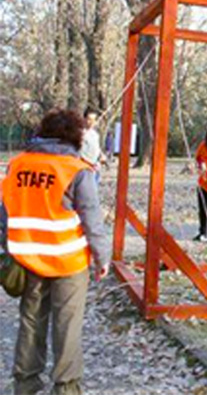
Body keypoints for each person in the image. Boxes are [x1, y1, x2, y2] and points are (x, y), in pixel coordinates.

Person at [0, 109, 111, 395]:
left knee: (31, 322)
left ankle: (25, 384)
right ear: (76, 137)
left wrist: (7, 249)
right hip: (68, 261)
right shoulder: (76, 170)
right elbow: (92, 219)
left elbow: (5, 212)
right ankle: (66, 387)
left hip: (28, 259)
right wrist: (102, 258)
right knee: (67, 325)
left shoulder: (17, 165)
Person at [79, 107, 105, 185]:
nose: (91, 122)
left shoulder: (95, 135)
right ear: (84, 119)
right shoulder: (80, 133)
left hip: (95, 169)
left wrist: (101, 155)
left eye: (94, 120)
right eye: (89, 119)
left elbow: (97, 148)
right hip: (84, 169)